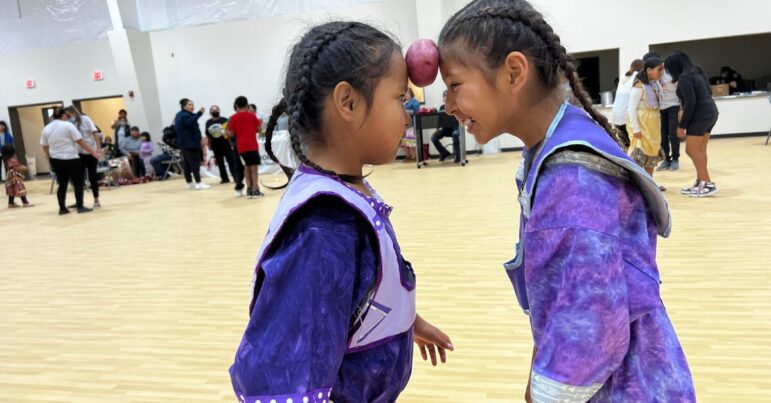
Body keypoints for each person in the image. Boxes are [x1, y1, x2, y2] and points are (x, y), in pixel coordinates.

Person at [438, 1, 694, 401]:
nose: (448, 105)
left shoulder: (571, 182)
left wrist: (543, 392)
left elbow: (591, 334)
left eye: (454, 85)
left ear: (514, 72)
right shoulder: (557, 140)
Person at [229, 21, 453, 402]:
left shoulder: (342, 192)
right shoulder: (324, 228)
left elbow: (351, 299)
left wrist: (404, 322)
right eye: (399, 98)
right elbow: (283, 381)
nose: (406, 114)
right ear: (348, 102)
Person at [666, 51, 720, 197]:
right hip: (711, 111)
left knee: (691, 150)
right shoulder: (697, 71)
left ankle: (707, 183)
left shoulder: (684, 77)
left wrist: (682, 125)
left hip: (701, 114)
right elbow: (705, 92)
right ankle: (700, 181)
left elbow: (691, 102)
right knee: (700, 150)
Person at [40, 107, 101, 215]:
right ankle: (80, 206)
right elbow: (80, 142)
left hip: (56, 159)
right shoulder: (68, 125)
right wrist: (93, 152)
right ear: (63, 115)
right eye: (67, 116)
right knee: (78, 182)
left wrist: (49, 162)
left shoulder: (46, 128)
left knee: (62, 184)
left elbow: (45, 147)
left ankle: (62, 208)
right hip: (71, 157)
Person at [627, 56, 666, 186]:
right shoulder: (639, 86)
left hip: (653, 123)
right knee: (639, 154)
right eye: (658, 70)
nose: (661, 73)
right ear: (649, 70)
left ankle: (650, 183)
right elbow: (631, 109)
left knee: (652, 153)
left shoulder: (655, 84)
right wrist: (636, 129)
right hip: (641, 123)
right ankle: (638, 184)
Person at [65, 106, 102, 208]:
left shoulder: (86, 119)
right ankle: (79, 202)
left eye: (69, 115)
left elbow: (95, 133)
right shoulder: (68, 124)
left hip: (91, 152)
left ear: (74, 112)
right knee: (78, 179)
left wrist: (98, 148)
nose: (68, 117)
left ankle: (96, 200)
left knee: (92, 177)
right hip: (78, 154)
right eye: (66, 116)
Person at [227, 96, 263, 198]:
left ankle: (249, 189)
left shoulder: (233, 118)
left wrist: (228, 132)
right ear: (247, 105)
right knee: (254, 168)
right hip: (252, 146)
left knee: (246, 167)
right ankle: (255, 189)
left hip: (241, 147)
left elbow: (232, 134)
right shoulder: (252, 116)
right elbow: (259, 129)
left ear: (237, 106)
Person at [174, 98, 210, 190]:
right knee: (195, 163)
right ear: (184, 106)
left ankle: (189, 182)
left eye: (192, 104)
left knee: (187, 163)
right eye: (190, 105)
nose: (192, 106)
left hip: (185, 144)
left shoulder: (179, 114)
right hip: (190, 143)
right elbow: (190, 122)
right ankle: (198, 182)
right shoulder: (184, 115)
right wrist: (199, 113)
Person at [610, 59, 643, 150]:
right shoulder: (637, 77)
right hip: (626, 117)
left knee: (625, 146)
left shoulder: (624, 76)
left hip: (616, 116)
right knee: (635, 146)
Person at [657, 63, 682, 171]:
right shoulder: (654, 77)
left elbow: (680, 92)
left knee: (673, 134)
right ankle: (666, 159)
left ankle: (675, 159)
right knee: (663, 135)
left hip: (673, 106)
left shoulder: (671, 75)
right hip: (661, 108)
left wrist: (681, 108)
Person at [205, 105, 236, 185]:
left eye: (216, 109)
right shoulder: (208, 122)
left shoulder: (224, 120)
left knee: (231, 161)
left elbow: (230, 130)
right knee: (220, 162)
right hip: (215, 145)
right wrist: (209, 144)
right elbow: (208, 134)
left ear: (219, 110)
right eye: (213, 110)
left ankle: (236, 177)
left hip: (226, 143)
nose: (215, 111)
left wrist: (231, 142)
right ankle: (224, 178)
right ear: (210, 112)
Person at [431, 90, 461, 162]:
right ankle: (444, 153)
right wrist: (437, 128)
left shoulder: (455, 105)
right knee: (434, 137)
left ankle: (458, 156)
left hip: (455, 127)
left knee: (455, 134)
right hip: (445, 129)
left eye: (447, 96)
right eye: (444, 96)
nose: (445, 97)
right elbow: (440, 119)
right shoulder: (442, 107)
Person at [401, 88, 421, 161]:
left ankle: (413, 157)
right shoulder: (403, 102)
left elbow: (416, 111)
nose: (405, 95)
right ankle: (407, 156)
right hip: (402, 126)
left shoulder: (414, 101)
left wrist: (405, 111)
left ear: (410, 93)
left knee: (411, 142)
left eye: (406, 93)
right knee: (404, 142)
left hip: (411, 124)